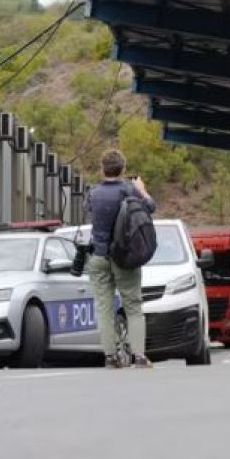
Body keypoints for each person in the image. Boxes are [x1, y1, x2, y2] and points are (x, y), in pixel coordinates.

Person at [85, 149, 156, 369]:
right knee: (133, 305)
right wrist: (142, 191)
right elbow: (150, 208)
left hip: (98, 256)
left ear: (102, 168)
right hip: (124, 258)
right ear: (123, 169)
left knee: (104, 308)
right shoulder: (128, 190)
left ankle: (110, 356)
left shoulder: (93, 193)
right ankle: (139, 357)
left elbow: (88, 210)